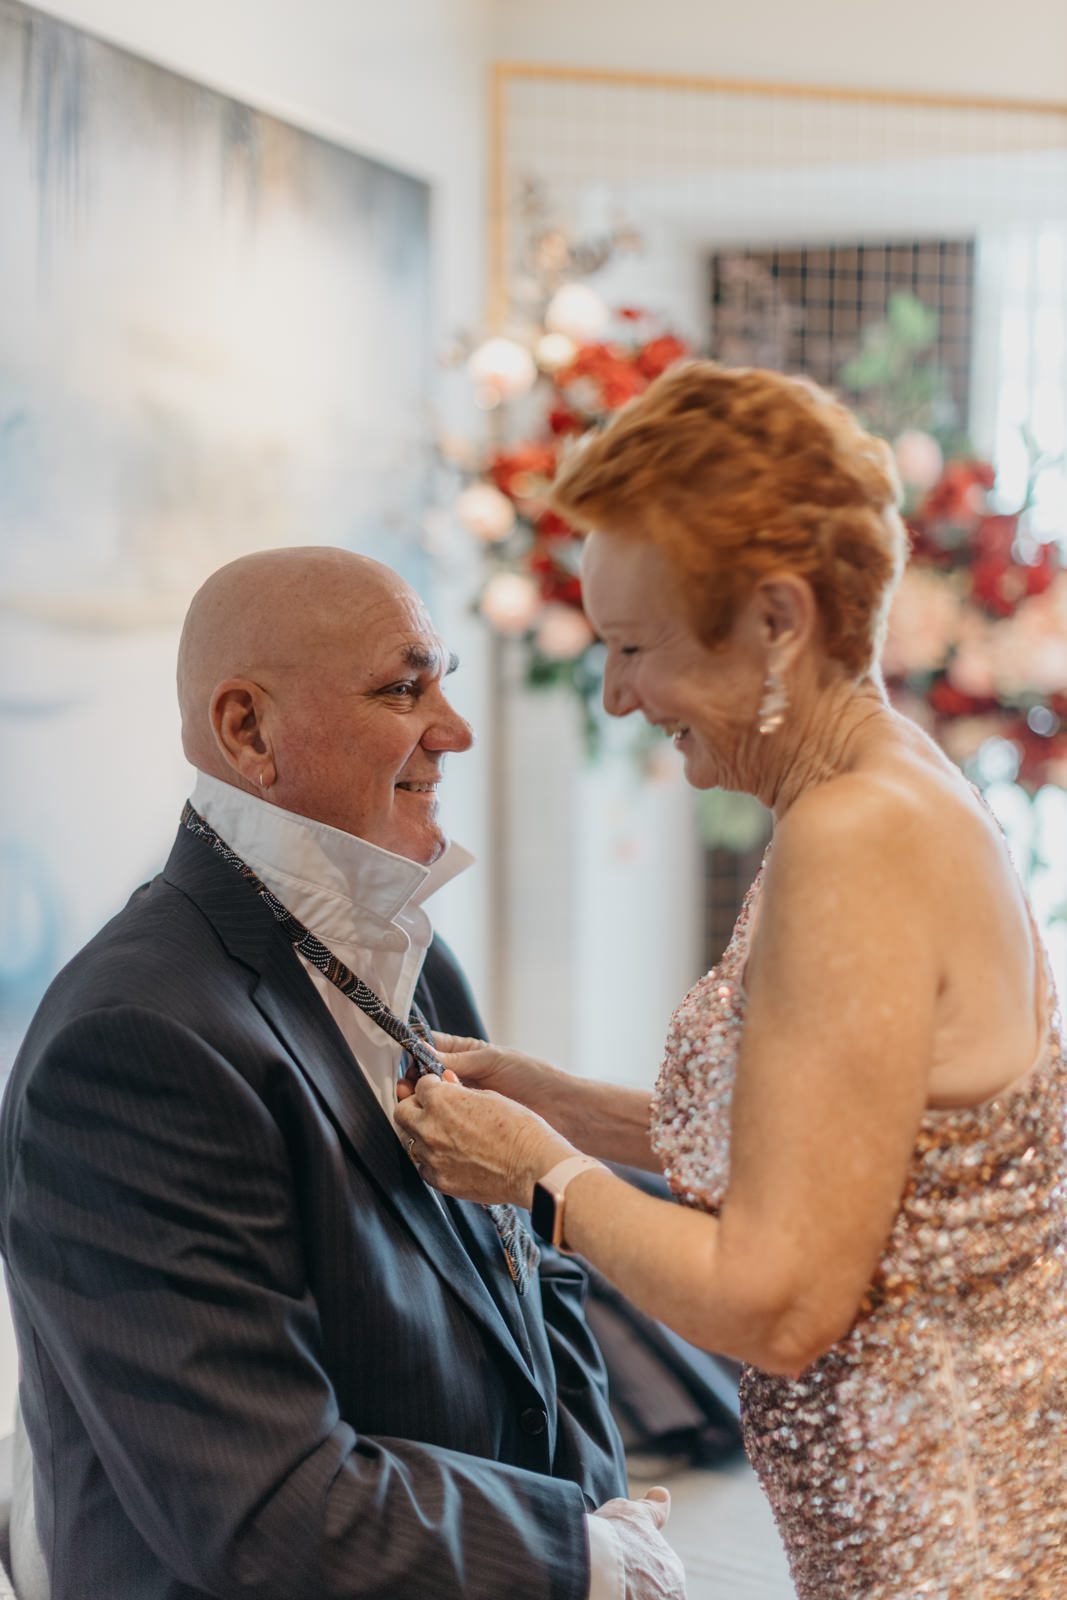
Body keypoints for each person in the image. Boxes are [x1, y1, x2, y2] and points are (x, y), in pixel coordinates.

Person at [395, 363, 1067, 1600]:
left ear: (774, 619)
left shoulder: (855, 837)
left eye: (634, 646)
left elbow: (778, 1301)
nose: (615, 694)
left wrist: (537, 1175)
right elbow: (839, 1154)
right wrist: (560, 1103)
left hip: (948, 1545)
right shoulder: (881, 785)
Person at [0, 547, 687, 1600]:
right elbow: (262, 1505)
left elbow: (534, 1284)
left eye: (444, 681)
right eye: (402, 689)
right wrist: (577, 1554)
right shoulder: (134, 1041)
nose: (453, 729)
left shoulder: (413, 955)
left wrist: (593, 1513)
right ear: (247, 730)